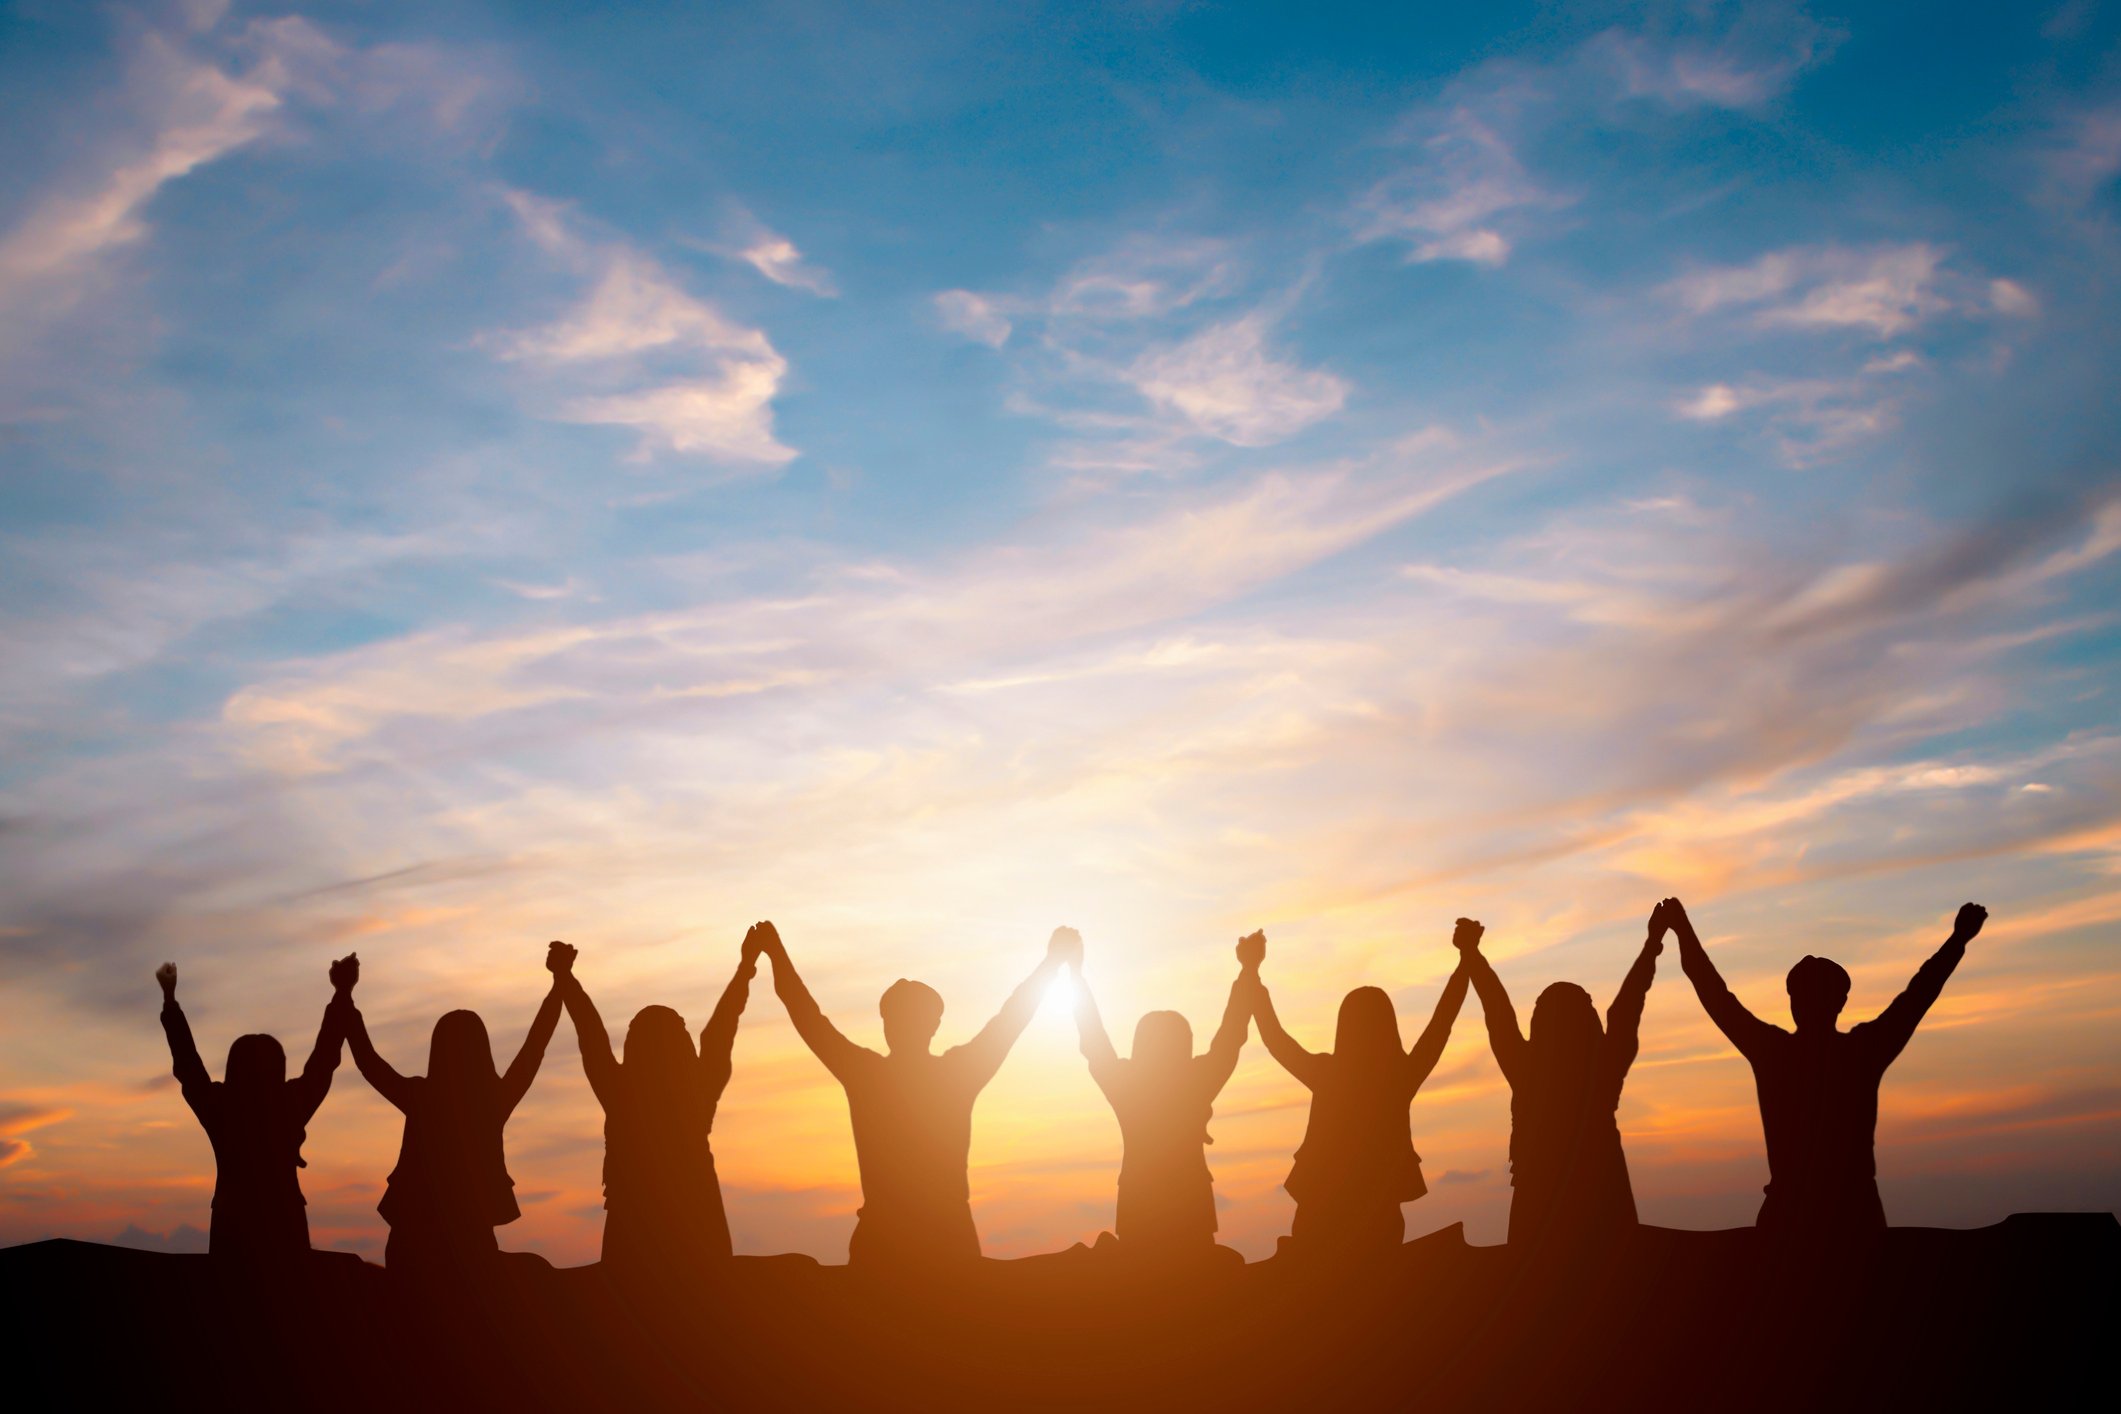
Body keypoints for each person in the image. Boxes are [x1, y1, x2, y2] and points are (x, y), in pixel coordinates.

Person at [757, 920, 1076, 1270]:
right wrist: (1050, 964)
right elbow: (1011, 1018)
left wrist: (775, 953)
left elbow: (806, 1015)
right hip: (937, 1243)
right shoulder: (954, 1074)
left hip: (898, 1244)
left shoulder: (868, 1075)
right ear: (933, 1025)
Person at [1670, 897, 1988, 1239]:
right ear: (1841, 1002)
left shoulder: (1775, 1052)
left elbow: (1712, 992)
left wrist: (1682, 928)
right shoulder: (1862, 1051)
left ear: (1793, 1001)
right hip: (1850, 1217)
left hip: (1799, 1219)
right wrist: (1958, 940)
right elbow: (1919, 994)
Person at [341, 942, 568, 1275]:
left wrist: (345, 997)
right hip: (469, 1237)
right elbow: (535, 1047)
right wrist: (559, 984)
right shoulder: (494, 1099)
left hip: (413, 1235)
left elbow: (368, 1062)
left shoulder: (420, 1096)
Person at [1246, 930, 1470, 1260]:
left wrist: (1251, 971)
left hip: (1320, 1207)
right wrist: (1466, 962)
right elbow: (1442, 1024)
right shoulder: (1400, 1075)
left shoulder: (1326, 1074)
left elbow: (1274, 1038)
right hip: (1379, 1212)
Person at [554, 929, 760, 1277]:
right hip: (697, 1225)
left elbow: (590, 1033)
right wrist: (745, 968)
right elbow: (721, 1030)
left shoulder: (620, 1093)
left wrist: (565, 978)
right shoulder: (698, 1092)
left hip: (633, 1228)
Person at [1454, 911, 1659, 1255]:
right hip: (1605, 1201)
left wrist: (1472, 954)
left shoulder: (1526, 1069)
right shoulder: (1604, 1068)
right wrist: (1653, 945)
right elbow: (1628, 1005)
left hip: (1538, 1205)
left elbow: (1497, 1009)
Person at [1069, 930, 1259, 1262]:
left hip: (1139, 1214)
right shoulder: (1195, 1082)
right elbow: (1231, 1037)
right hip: (1190, 1214)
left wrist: (1075, 975)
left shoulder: (1127, 1085)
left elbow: (1094, 1040)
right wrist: (1248, 970)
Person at [153, 954, 357, 1261]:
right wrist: (342, 993)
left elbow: (188, 1065)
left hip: (232, 1223)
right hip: (283, 1222)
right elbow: (324, 1061)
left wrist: (170, 1001)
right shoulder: (289, 1105)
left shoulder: (221, 1109)